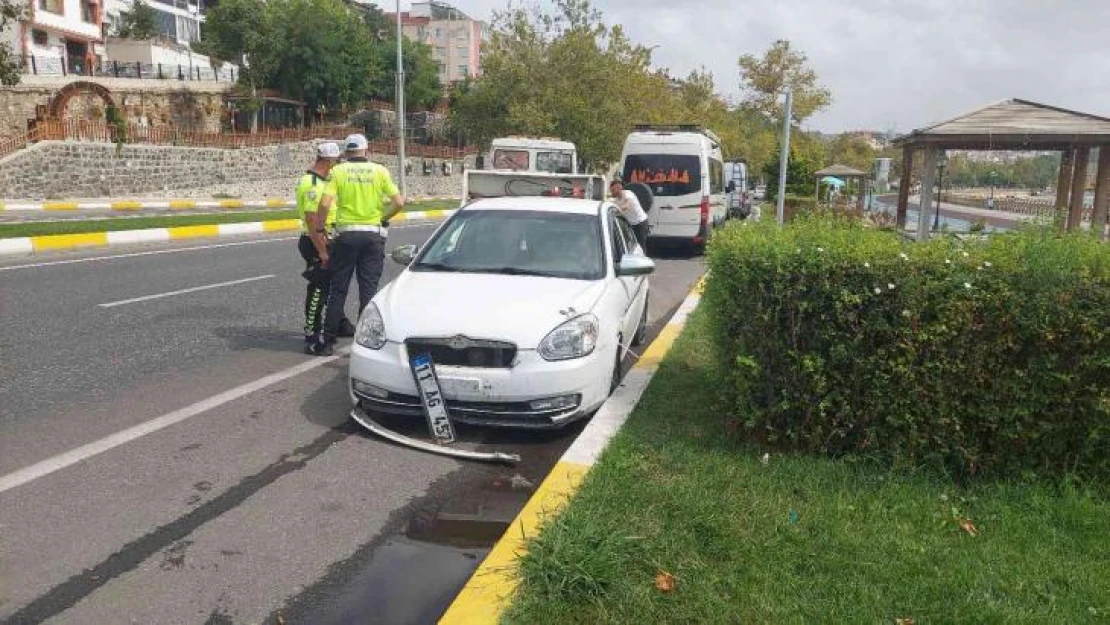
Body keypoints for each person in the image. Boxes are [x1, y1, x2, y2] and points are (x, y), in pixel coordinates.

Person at [308, 133, 405, 356]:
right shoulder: (380, 171)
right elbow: (399, 202)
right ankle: (367, 342)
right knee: (368, 290)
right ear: (366, 150)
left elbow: (324, 203)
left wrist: (322, 227)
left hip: (346, 236)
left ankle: (328, 342)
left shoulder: (337, 171)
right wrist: (384, 216)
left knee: (338, 289)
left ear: (347, 152)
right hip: (372, 235)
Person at [296, 142, 354, 354]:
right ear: (329, 161)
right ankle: (311, 335)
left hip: (328, 238)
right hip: (316, 241)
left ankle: (337, 322)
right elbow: (312, 220)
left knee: (332, 286)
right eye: (336, 161)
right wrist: (321, 250)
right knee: (318, 290)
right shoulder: (312, 183)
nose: (337, 165)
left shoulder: (323, 181)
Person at [609, 178, 649, 251]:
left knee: (640, 247)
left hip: (640, 223)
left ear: (619, 188)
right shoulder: (615, 200)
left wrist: (618, 209)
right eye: (611, 190)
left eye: (613, 190)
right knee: (629, 246)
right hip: (630, 224)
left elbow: (628, 205)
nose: (612, 192)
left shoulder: (628, 194)